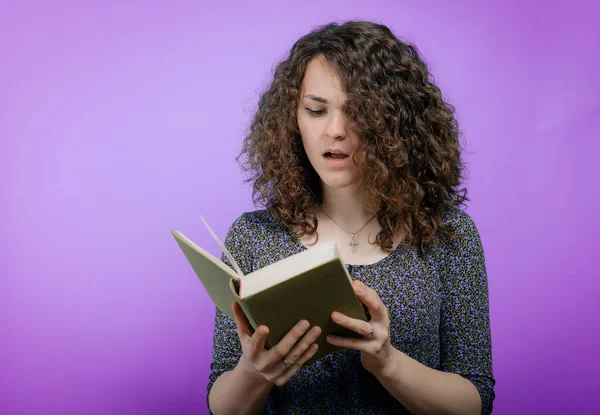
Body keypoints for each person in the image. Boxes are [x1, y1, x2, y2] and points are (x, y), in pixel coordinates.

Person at [206, 20, 495, 415]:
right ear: (293, 119)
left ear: (395, 122)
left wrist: (388, 364)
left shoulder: (448, 235)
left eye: (359, 111)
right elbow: (222, 406)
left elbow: (475, 402)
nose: (335, 130)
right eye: (316, 110)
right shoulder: (254, 236)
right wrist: (255, 372)